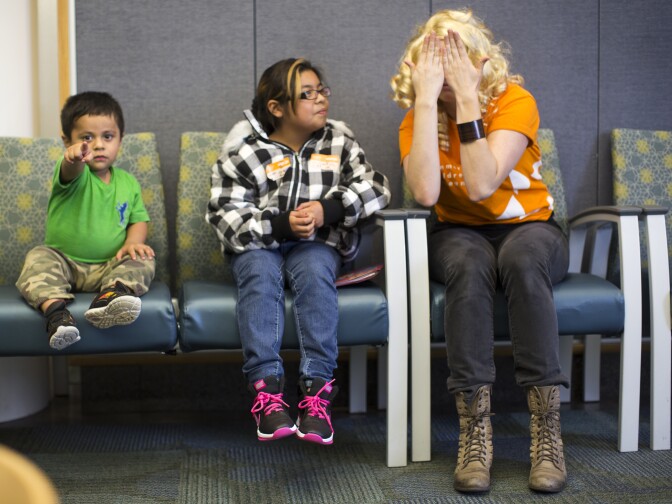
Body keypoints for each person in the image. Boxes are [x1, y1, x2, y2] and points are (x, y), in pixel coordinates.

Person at [391, 9, 569, 493]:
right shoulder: (418, 118)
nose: (444, 77)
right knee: (469, 268)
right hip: (459, 233)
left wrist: (467, 99)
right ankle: (474, 434)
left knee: (520, 260)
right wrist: (427, 104)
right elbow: (427, 194)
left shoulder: (516, 101)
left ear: (479, 63)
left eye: (454, 65)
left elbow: (482, 181)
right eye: (434, 66)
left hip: (531, 229)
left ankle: (547, 431)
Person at [207, 58, 391, 445]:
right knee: (259, 274)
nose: (320, 99)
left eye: (322, 90)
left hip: (317, 245)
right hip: (259, 245)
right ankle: (267, 394)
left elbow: (377, 187)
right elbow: (225, 216)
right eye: (307, 94)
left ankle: (317, 395)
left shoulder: (339, 140)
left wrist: (330, 209)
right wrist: (279, 224)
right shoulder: (244, 152)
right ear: (277, 107)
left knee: (314, 269)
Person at [16, 91, 156, 350]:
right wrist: (75, 158)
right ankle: (57, 315)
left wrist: (133, 243)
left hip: (109, 265)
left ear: (120, 140)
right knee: (38, 257)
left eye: (108, 136)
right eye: (87, 138)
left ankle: (112, 297)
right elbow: (71, 170)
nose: (99, 145)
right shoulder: (74, 174)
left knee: (144, 258)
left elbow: (138, 220)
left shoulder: (128, 182)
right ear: (67, 140)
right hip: (64, 262)